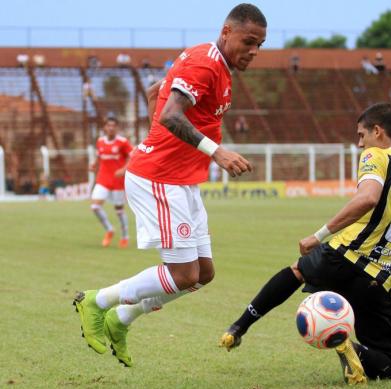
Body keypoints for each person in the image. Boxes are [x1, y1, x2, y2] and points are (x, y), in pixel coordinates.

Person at [73, 3, 267, 367]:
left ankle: (122, 319)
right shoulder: (205, 63)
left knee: (203, 274)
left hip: (181, 179)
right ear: (226, 32)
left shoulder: (217, 65)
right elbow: (170, 112)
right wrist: (216, 152)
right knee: (183, 273)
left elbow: (153, 91)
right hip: (158, 178)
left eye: (260, 45)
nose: (254, 51)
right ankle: (96, 302)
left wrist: (158, 139)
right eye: (249, 41)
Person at [220, 102, 391, 385]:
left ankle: (239, 326)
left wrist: (319, 234)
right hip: (378, 277)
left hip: (346, 253)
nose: (359, 143)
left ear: (377, 131)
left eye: (362, 135)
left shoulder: (376, 154)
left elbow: (368, 198)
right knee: (387, 362)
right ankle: (354, 350)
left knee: (297, 270)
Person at [90, 117, 133, 248]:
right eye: (108, 126)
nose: (111, 128)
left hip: (117, 180)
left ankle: (125, 236)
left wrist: (124, 169)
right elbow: (99, 156)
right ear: (105, 127)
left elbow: (133, 157)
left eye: (113, 126)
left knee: (119, 210)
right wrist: (94, 165)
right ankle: (109, 230)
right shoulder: (100, 141)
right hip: (103, 179)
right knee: (95, 207)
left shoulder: (123, 142)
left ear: (117, 128)